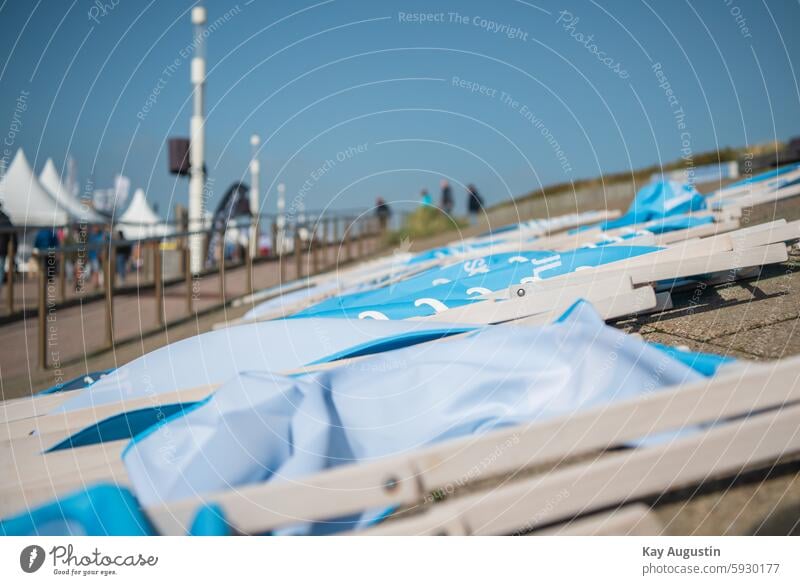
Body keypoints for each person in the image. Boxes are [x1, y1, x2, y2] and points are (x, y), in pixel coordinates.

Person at [0, 203, 17, 296]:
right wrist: (14, 248)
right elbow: (13, 235)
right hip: (2, 250)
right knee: (0, 272)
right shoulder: (5, 219)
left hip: (2, 250)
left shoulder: (6, 219)